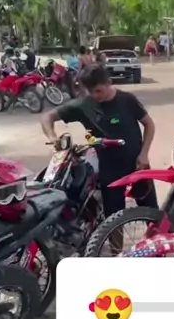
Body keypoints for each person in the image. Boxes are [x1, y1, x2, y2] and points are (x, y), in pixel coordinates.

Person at [41, 64, 157, 218]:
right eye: (91, 91)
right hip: (109, 169)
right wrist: (52, 137)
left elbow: (149, 124)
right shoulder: (84, 106)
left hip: (138, 163)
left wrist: (144, 154)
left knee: (152, 213)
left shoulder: (127, 100)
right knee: (113, 219)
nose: (95, 96)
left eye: (98, 91)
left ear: (109, 82)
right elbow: (47, 117)